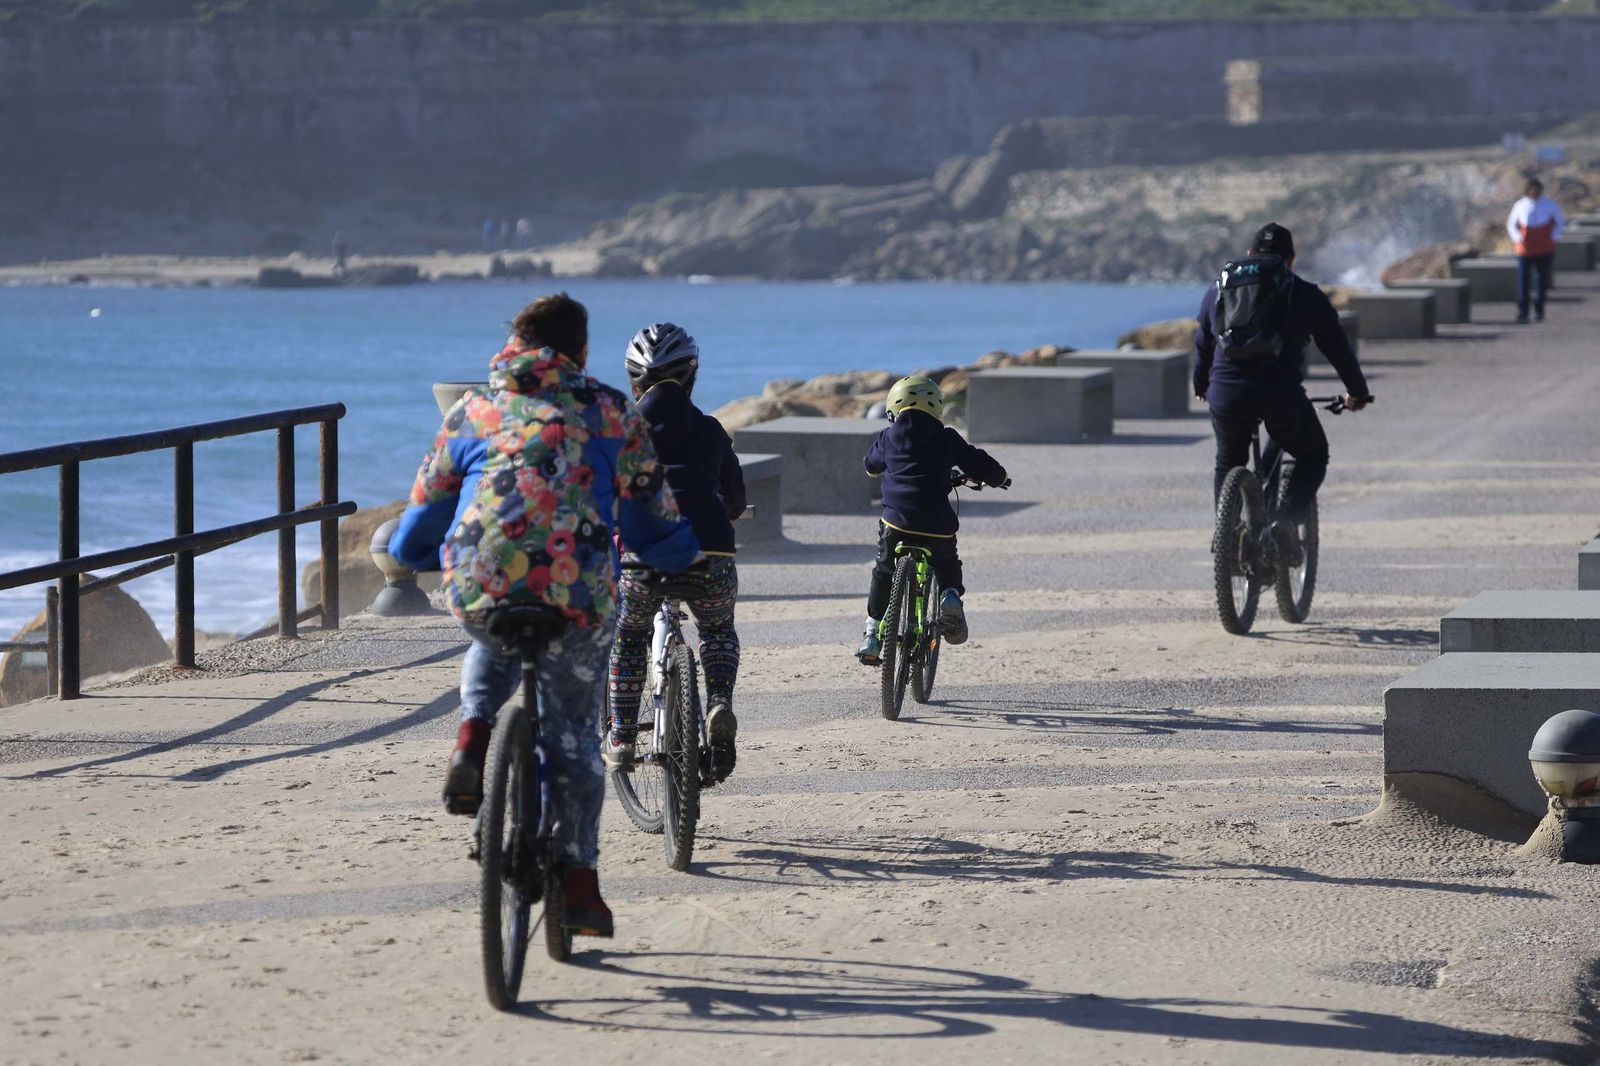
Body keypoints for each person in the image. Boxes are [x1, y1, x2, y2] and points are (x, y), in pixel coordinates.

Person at [388, 293, 700, 938]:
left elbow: (422, 516)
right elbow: (651, 517)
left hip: (482, 576)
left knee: (491, 640)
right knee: (574, 738)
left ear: (514, 346)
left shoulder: (472, 412)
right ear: (580, 351)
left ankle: (474, 736)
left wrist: (413, 554)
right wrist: (679, 555)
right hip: (576, 589)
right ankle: (580, 882)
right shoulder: (612, 411)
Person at [606, 323, 746, 779]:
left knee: (629, 637)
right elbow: (736, 499)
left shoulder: (621, 433)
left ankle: (623, 736)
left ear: (633, 382)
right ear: (692, 377)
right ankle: (719, 702)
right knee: (718, 630)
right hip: (711, 556)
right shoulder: (710, 430)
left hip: (641, 558)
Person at [1192, 223, 1371, 561]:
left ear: (1250, 255)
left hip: (1226, 395)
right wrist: (1356, 391)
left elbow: (1202, 341)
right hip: (1279, 396)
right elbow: (1337, 348)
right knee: (1312, 454)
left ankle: (1226, 538)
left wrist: (1201, 384)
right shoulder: (1305, 294)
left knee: (1227, 461)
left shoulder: (1218, 290)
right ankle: (1286, 522)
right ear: (1290, 261)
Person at [855, 376, 1008, 666]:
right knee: (947, 562)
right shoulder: (946, 437)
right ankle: (949, 596)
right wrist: (999, 477)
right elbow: (978, 462)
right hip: (936, 526)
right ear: (936, 406)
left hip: (896, 524)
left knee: (883, 572)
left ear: (893, 407)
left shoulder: (888, 437)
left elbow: (870, 466)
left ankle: (873, 632)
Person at [1507, 177, 1565, 324]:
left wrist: (1553, 237)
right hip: (1525, 248)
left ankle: (1539, 311)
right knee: (1523, 280)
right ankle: (1523, 312)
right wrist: (1518, 238)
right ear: (1527, 191)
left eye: (1537, 190)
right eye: (1532, 190)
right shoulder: (1520, 205)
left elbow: (1559, 222)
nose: (1534, 192)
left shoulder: (1549, 204)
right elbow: (1511, 224)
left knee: (1541, 280)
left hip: (1544, 247)